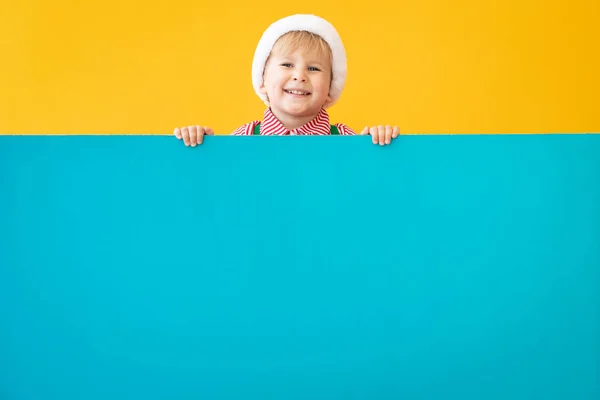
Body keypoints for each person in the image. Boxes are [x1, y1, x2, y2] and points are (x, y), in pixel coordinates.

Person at [174, 14, 400, 146]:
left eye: (313, 68)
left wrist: (376, 146)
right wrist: (201, 148)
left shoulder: (346, 140)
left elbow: (364, 185)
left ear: (330, 88)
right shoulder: (243, 139)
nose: (299, 75)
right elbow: (221, 185)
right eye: (286, 65)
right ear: (262, 81)